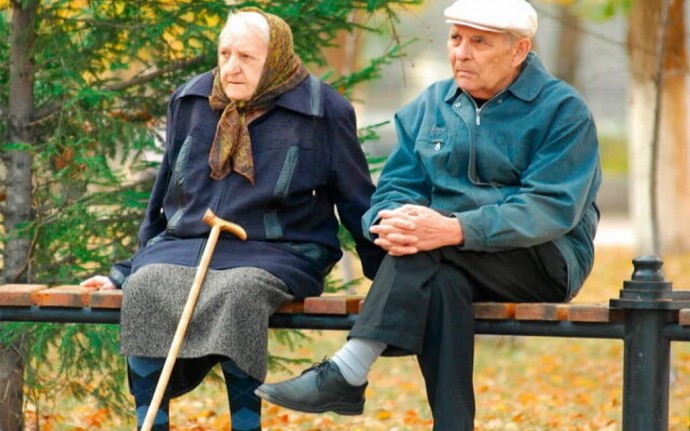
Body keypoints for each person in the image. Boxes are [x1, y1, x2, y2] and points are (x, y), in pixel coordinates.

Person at [254, 0, 602, 429]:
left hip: (545, 259)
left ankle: (348, 370)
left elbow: (549, 208)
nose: (461, 53)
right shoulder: (432, 104)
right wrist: (389, 221)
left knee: (427, 251)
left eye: (479, 42)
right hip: (446, 257)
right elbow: (396, 187)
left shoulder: (562, 110)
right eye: (455, 39)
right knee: (440, 279)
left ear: (519, 50)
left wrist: (454, 229)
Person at [81, 7, 383, 431]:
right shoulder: (190, 99)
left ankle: (245, 425)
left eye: (246, 57)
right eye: (225, 54)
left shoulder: (322, 109)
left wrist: (386, 277)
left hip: (282, 248)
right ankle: (151, 423)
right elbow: (164, 193)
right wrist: (128, 270)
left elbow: (356, 198)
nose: (231, 68)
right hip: (187, 243)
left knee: (239, 292)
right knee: (146, 285)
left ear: (275, 59)